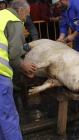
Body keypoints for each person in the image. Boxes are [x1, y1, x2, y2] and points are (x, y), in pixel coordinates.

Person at [0, 0, 37, 139]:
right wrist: (23, 66)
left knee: (1, 118)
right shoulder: (14, 21)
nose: (25, 19)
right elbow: (14, 56)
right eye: (26, 15)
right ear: (20, 10)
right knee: (8, 117)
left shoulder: (2, 15)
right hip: (0, 76)